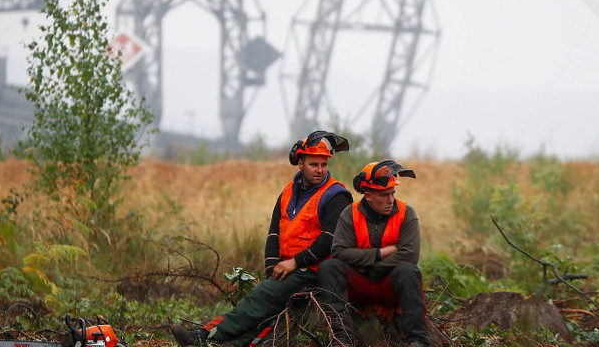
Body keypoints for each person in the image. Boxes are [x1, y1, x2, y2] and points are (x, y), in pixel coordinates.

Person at [171, 131, 354, 347]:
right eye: (314, 164)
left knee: (259, 299)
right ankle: (222, 342)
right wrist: (272, 272)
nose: (320, 170)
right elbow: (274, 234)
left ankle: (203, 336)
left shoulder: (336, 195)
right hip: (290, 269)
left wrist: (294, 263)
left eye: (324, 164)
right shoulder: (288, 191)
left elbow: (329, 240)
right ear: (300, 164)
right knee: (265, 303)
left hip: (315, 271)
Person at [318, 159, 429, 347]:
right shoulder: (349, 214)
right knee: (329, 268)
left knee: (408, 271)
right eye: (384, 195)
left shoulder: (407, 213)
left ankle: (418, 340)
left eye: (392, 193)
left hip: (388, 286)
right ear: (368, 196)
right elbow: (338, 252)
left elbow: (410, 256)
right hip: (359, 287)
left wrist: (368, 266)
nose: (390, 200)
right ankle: (341, 339)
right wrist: (380, 253)